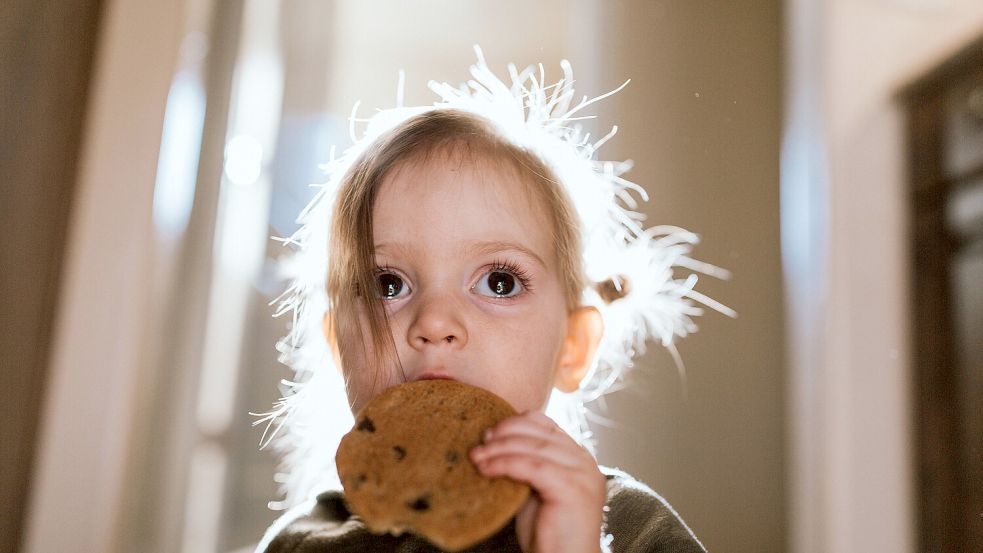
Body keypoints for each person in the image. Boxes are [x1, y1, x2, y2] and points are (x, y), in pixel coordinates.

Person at [254, 48, 730, 553]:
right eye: (387, 285)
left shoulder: (624, 526)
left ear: (572, 346)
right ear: (339, 348)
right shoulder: (303, 543)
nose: (435, 322)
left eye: (499, 282)